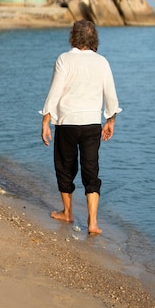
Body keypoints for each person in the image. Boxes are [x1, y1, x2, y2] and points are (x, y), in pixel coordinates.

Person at [41, 19, 121, 235]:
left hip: (67, 122)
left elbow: (55, 91)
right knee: (90, 170)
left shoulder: (64, 59)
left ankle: (67, 213)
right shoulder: (102, 62)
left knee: (64, 167)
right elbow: (110, 94)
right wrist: (110, 120)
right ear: (94, 38)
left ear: (73, 37)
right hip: (92, 124)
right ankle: (93, 223)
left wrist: (46, 120)